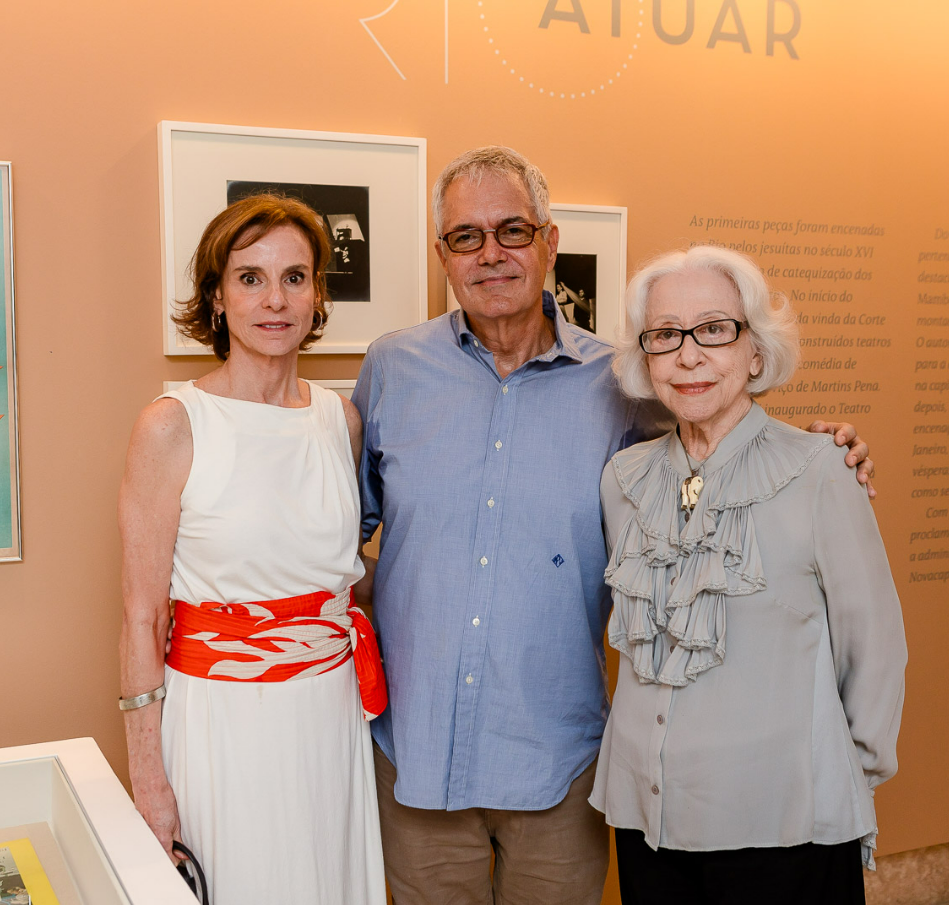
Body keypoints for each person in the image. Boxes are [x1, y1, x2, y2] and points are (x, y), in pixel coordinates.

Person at [351, 146, 876, 905]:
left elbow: (719, 435)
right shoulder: (391, 369)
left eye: (512, 229)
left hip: (561, 765)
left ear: (549, 240)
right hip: (415, 761)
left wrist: (831, 451)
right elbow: (338, 538)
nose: (490, 252)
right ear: (441, 253)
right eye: (465, 236)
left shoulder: (622, 384)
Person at [594, 244, 907, 904]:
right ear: (645, 360)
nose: (688, 354)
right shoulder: (622, 480)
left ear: (755, 352)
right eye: (664, 335)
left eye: (713, 329)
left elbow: (873, 646)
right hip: (646, 814)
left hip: (781, 821)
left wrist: (842, 777)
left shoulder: (820, 469)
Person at [118, 194, 387, 904]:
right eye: (250, 277)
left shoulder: (341, 420)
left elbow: (344, 576)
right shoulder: (173, 425)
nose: (275, 299)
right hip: (221, 722)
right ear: (215, 297)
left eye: (294, 277)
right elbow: (141, 618)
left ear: (317, 294)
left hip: (328, 716)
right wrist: (148, 783)